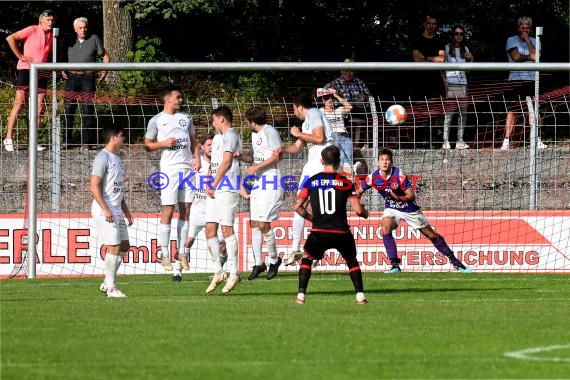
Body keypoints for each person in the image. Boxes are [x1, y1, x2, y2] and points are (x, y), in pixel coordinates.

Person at [357, 147, 471, 274]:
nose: (384, 162)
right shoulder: (373, 177)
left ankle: (455, 261)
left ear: (391, 162)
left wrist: (400, 198)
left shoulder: (399, 175)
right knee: (385, 227)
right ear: (378, 162)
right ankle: (395, 266)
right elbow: (358, 192)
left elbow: (411, 195)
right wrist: (359, 206)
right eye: (382, 159)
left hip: (409, 208)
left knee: (431, 235)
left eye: (387, 160)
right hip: (391, 208)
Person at [293, 145, 370, 305]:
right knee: (352, 261)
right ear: (338, 161)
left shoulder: (311, 181)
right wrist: (365, 213)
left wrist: (312, 218)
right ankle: (360, 296)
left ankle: (301, 296)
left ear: (322, 161)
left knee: (307, 259)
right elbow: (357, 210)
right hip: (341, 231)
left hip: (319, 231)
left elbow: (298, 207)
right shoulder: (346, 182)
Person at [144, 85, 200, 273]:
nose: (181, 100)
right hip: (169, 170)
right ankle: (165, 253)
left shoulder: (186, 118)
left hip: (188, 168)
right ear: (168, 99)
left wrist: (197, 158)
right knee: (168, 209)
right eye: (178, 97)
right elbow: (147, 145)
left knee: (186, 208)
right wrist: (163, 143)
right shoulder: (157, 121)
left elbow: (194, 141)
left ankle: (182, 251)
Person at [274, 94, 333, 266]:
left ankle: (313, 250)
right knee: (300, 206)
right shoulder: (308, 121)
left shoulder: (313, 112)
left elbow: (320, 138)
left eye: (294, 108)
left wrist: (298, 133)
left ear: (300, 106)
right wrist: (282, 149)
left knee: (312, 207)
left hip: (321, 165)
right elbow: (297, 147)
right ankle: (295, 249)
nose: (294, 112)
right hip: (312, 165)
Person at [236, 107, 284, 281]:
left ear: (252, 122)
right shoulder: (255, 135)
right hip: (258, 182)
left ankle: (274, 259)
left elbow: (278, 156)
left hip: (271, 181)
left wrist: (256, 167)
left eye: (248, 121)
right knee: (254, 223)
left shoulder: (269, 131)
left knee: (264, 224)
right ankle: (258, 263)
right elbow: (254, 158)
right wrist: (241, 156)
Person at [175, 134, 227, 282]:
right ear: (203, 148)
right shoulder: (194, 164)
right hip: (197, 211)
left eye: (213, 145)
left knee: (222, 244)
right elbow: (183, 181)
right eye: (208, 145)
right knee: (187, 242)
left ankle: (219, 271)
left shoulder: (221, 164)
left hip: (215, 211)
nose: (211, 148)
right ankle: (177, 272)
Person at [89, 124, 133, 298]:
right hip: (104, 210)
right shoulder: (102, 157)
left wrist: (126, 211)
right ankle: (111, 288)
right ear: (114, 137)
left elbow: (117, 189)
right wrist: (105, 208)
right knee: (113, 247)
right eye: (122, 136)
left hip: (116, 209)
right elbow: (93, 186)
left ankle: (107, 281)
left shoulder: (118, 159)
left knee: (124, 246)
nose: (124, 139)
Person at [3, 10, 56, 152]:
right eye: (48, 20)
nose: (51, 22)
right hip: (26, 69)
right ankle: (8, 138)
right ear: (41, 21)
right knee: (19, 104)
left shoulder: (53, 34)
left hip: (42, 71)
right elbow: (10, 38)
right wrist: (20, 55)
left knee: (39, 108)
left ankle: (33, 141)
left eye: (52, 20)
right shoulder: (32, 29)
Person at [205, 106, 243, 294]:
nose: (212, 123)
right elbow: (216, 163)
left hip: (227, 187)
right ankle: (219, 271)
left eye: (213, 120)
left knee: (227, 229)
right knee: (210, 229)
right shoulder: (219, 138)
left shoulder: (231, 135)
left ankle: (234, 273)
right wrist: (209, 181)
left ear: (221, 119)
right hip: (216, 188)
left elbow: (227, 162)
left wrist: (213, 183)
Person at [62, 17, 110, 150]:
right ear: (75, 29)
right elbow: (61, 57)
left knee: (88, 109)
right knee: (68, 109)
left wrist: (104, 71)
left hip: (88, 78)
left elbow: (105, 56)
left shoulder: (94, 38)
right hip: (71, 78)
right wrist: (61, 68)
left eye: (85, 27)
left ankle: (87, 142)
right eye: (80, 28)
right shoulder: (69, 40)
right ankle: (67, 141)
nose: (83, 30)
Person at [501, 16, 547, 151]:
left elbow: (537, 57)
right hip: (515, 80)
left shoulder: (535, 41)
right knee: (512, 111)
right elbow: (515, 57)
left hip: (532, 80)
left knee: (533, 111)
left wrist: (527, 41)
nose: (524, 30)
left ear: (531, 29)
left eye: (527, 28)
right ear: (518, 27)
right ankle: (506, 141)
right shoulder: (511, 40)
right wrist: (529, 57)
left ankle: (536, 140)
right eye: (522, 27)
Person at [411, 15, 446, 147]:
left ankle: (432, 142)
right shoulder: (417, 38)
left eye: (434, 23)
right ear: (424, 24)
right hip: (419, 80)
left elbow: (442, 59)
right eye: (429, 23)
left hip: (434, 80)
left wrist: (425, 57)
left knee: (433, 111)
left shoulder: (439, 39)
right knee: (420, 111)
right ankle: (419, 142)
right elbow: (416, 58)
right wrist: (433, 58)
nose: (431, 26)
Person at [324, 58, 372, 145]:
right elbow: (323, 94)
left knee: (365, 114)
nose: (351, 73)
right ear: (342, 71)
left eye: (353, 71)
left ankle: (358, 144)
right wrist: (353, 103)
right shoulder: (334, 83)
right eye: (348, 71)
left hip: (358, 111)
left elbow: (370, 97)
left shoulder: (359, 82)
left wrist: (364, 98)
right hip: (341, 112)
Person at [442, 25, 473, 150]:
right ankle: (446, 140)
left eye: (461, 34)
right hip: (451, 83)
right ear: (453, 35)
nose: (459, 36)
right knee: (449, 113)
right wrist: (445, 84)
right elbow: (442, 68)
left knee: (463, 113)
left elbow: (469, 69)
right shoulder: (447, 48)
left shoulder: (465, 48)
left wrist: (470, 58)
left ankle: (460, 140)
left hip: (463, 83)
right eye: (456, 33)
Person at [316, 87, 359, 175]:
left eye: (331, 98)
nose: (330, 100)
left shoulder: (339, 110)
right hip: (332, 136)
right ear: (323, 100)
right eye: (327, 98)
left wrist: (336, 95)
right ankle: (351, 169)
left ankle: (350, 170)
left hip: (344, 136)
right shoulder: (320, 112)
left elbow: (349, 107)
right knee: (341, 157)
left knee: (349, 157)